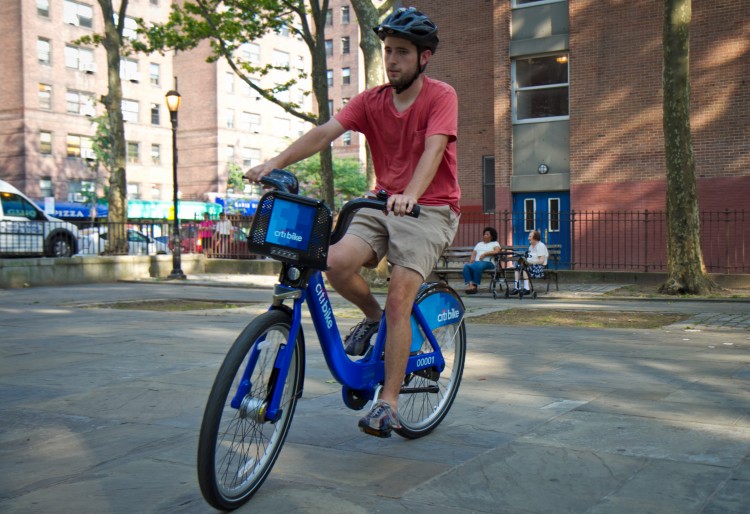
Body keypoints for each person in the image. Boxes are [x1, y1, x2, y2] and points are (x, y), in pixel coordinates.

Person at [246, 7, 459, 438]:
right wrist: (275, 161)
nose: (393, 60)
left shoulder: (441, 96)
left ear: (425, 57)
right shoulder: (370, 101)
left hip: (429, 207)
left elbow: (433, 150)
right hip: (381, 204)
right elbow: (324, 132)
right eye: (387, 51)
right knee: (333, 263)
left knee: (402, 295)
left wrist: (411, 194)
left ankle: (390, 403)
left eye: (402, 52)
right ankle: (373, 317)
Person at [463, 227, 501, 294]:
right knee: (466, 266)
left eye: (487, 234)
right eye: (484, 234)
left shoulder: (494, 243)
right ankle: (471, 286)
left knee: (478, 265)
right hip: (477, 262)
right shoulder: (479, 244)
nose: (485, 235)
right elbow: (474, 252)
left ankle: (475, 285)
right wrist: (472, 259)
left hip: (488, 262)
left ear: (491, 237)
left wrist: (485, 254)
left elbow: (497, 251)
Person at [510, 230, 548, 295]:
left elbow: (541, 261)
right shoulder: (531, 247)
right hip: (530, 265)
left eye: (530, 236)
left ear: (535, 237)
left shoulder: (540, 246)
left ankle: (526, 289)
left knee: (525, 267)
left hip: (539, 267)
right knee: (517, 268)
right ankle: (517, 288)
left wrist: (531, 262)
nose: (528, 238)